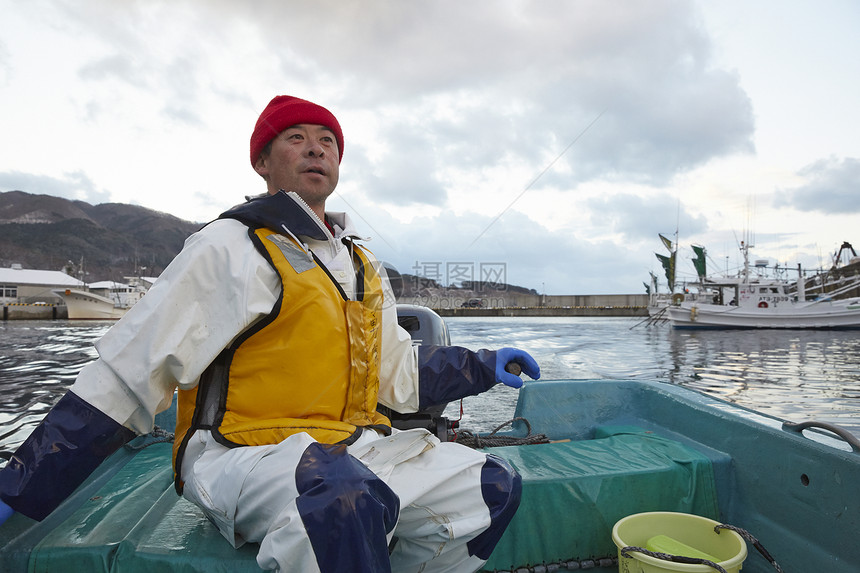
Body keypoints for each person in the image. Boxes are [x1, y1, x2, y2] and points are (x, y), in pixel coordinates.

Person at [0, 95, 540, 572]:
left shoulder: (360, 266)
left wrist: (482, 365)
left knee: (489, 490)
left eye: (327, 141)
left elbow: (393, 376)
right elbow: (128, 374)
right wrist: (20, 481)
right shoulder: (228, 245)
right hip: (237, 454)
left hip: (345, 448)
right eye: (296, 139)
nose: (316, 149)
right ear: (262, 162)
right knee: (338, 498)